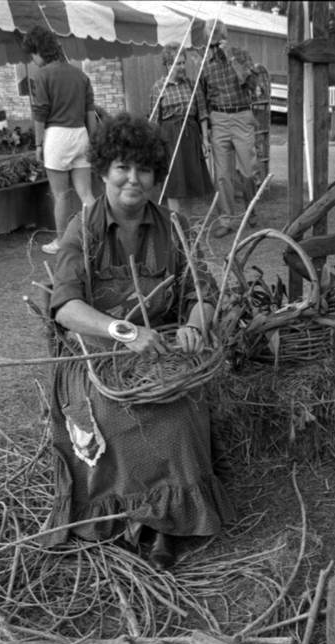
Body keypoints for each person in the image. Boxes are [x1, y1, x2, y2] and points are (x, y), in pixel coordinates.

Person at [44, 112, 233, 570]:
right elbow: (65, 308)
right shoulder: (83, 227)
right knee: (114, 410)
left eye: (144, 169)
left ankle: (169, 522)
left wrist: (193, 322)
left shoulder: (173, 225)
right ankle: (132, 519)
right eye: (122, 167)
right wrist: (122, 331)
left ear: (154, 175)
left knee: (180, 406)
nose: (133, 178)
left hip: (160, 349)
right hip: (94, 356)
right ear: (105, 170)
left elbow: (204, 293)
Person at [23, 25, 97, 255]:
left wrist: (37, 144)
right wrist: (93, 141)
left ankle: (61, 242)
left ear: (38, 51)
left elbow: (40, 114)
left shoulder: (41, 76)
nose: (33, 60)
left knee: (60, 195)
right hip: (81, 134)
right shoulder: (80, 75)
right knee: (86, 193)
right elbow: (90, 112)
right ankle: (99, 234)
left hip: (56, 136)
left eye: (31, 55)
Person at [199, 19, 261, 238]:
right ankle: (226, 219)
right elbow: (201, 98)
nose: (215, 44)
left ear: (225, 35)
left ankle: (250, 210)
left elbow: (253, 85)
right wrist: (205, 129)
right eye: (212, 41)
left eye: (218, 38)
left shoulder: (241, 55)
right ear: (208, 39)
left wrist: (232, 58)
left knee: (248, 170)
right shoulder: (205, 64)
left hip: (242, 114)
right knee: (223, 175)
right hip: (219, 118)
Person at [149, 43, 214, 220]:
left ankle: (186, 221)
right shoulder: (158, 88)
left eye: (183, 63)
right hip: (169, 139)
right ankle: (175, 222)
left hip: (190, 137)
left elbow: (202, 113)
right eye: (178, 64)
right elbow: (155, 120)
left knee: (189, 183)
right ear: (168, 65)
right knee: (174, 184)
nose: (182, 67)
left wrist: (205, 140)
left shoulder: (192, 85)